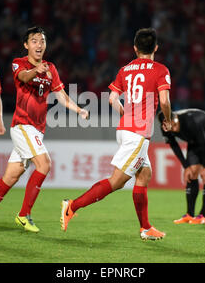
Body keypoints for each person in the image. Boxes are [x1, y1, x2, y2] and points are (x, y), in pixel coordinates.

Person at [0, 26, 89, 234]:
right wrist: (35, 71)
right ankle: (24, 215)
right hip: (23, 126)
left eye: (42, 41)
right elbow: (23, 77)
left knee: (10, 178)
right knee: (44, 164)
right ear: (26, 45)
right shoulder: (19, 63)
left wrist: (79, 110)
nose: (39, 45)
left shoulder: (51, 68)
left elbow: (61, 95)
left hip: (37, 130)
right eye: (34, 41)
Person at [60, 28, 172, 241]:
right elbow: (164, 101)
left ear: (135, 48)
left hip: (124, 129)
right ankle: (72, 206)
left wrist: (125, 113)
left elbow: (112, 99)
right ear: (156, 47)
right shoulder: (160, 70)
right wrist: (167, 119)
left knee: (144, 174)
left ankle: (146, 228)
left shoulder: (125, 70)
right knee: (117, 181)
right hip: (137, 134)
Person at [157, 108, 205, 224]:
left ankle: (203, 215)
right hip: (195, 141)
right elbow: (174, 145)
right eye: (168, 128)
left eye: (173, 127)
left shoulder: (190, 121)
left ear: (175, 120)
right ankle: (189, 214)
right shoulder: (165, 126)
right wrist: (186, 166)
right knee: (191, 173)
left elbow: (204, 143)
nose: (172, 130)